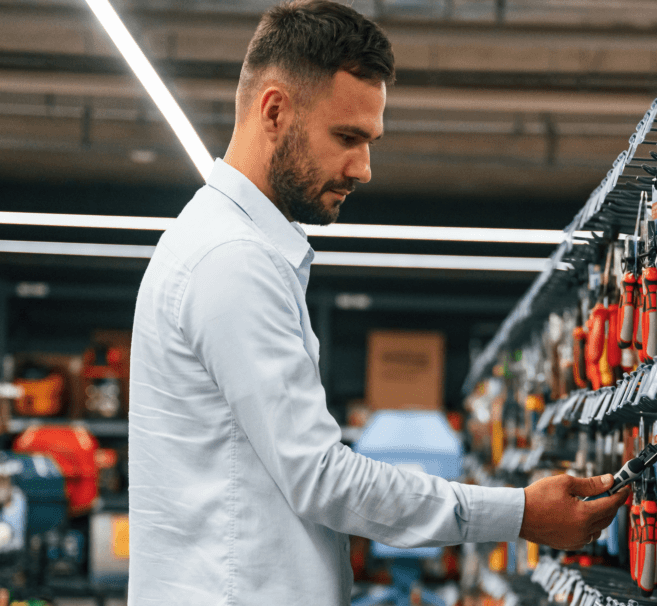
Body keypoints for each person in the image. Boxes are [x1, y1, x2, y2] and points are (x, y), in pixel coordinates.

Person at [127, 1, 627, 603]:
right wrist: (519, 513)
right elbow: (322, 479)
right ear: (275, 110)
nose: (363, 168)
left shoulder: (223, 244)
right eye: (347, 137)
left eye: (370, 141)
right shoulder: (231, 259)